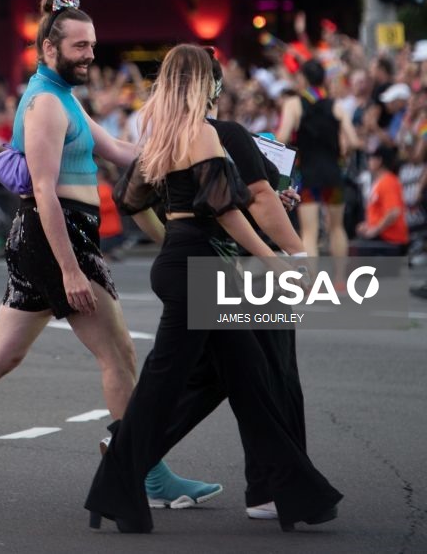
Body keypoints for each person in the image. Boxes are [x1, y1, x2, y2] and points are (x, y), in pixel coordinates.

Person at [0, 0, 221, 508]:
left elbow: (120, 151)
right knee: (118, 353)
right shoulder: (46, 103)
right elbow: (43, 193)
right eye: (80, 47)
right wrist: (70, 271)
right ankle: (147, 473)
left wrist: (187, 149)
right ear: (50, 49)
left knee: (2, 355)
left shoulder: (63, 97)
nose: (91, 54)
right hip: (58, 238)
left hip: (53, 238)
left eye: (92, 45)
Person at [84, 44, 342, 533]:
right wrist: (277, 260)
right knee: (169, 387)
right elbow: (226, 210)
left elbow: (131, 200)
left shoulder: (160, 136)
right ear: (206, 84)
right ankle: (115, 489)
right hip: (201, 266)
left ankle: (296, 492)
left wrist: (171, 241)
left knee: (248, 381)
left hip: (186, 261)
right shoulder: (201, 133)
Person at [275, 59, 360, 261]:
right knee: (337, 228)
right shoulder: (336, 106)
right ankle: (340, 281)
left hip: (309, 175)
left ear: (303, 79)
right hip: (333, 174)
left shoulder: (293, 104)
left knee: (309, 233)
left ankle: (312, 284)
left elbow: (282, 137)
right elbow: (354, 141)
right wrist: (342, 152)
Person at [353, 145, 409, 255]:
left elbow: (394, 212)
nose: (368, 161)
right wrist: (368, 225)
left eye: (371, 158)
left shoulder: (388, 182)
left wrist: (375, 230)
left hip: (390, 238)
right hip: (382, 236)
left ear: (379, 161)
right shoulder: (380, 182)